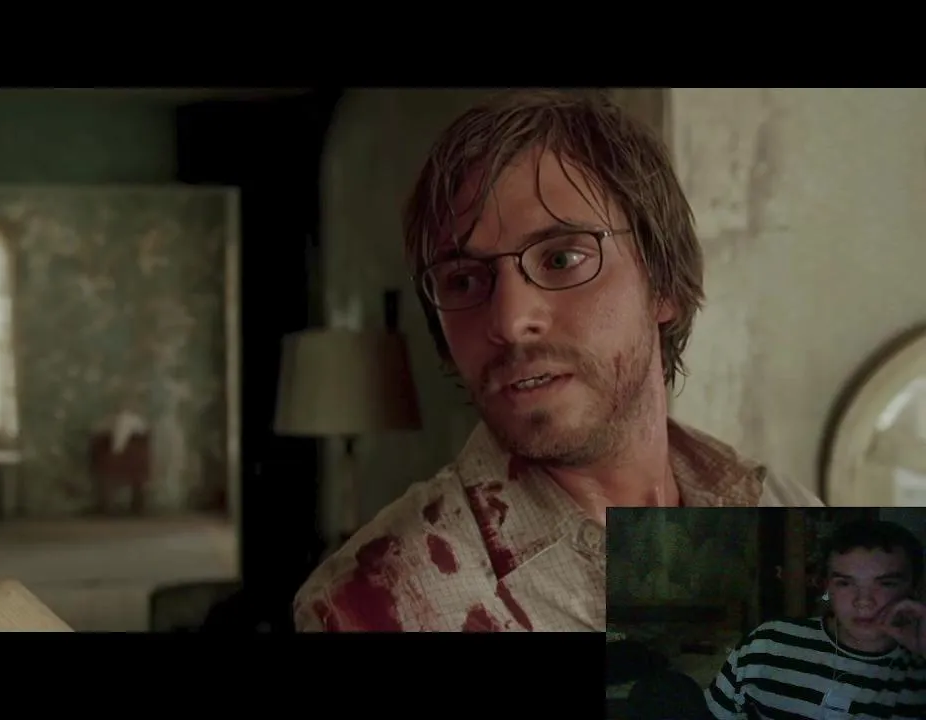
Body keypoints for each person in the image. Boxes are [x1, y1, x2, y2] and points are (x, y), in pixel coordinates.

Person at [292, 89, 823, 633]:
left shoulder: (787, 519)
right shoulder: (372, 608)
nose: (509, 320)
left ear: (663, 285)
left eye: (563, 258)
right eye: (464, 280)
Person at [705, 519, 926, 719]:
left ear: (914, 588)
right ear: (828, 587)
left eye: (885, 584)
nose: (863, 601)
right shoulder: (768, 643)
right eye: (845, 583)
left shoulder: (919, 669)